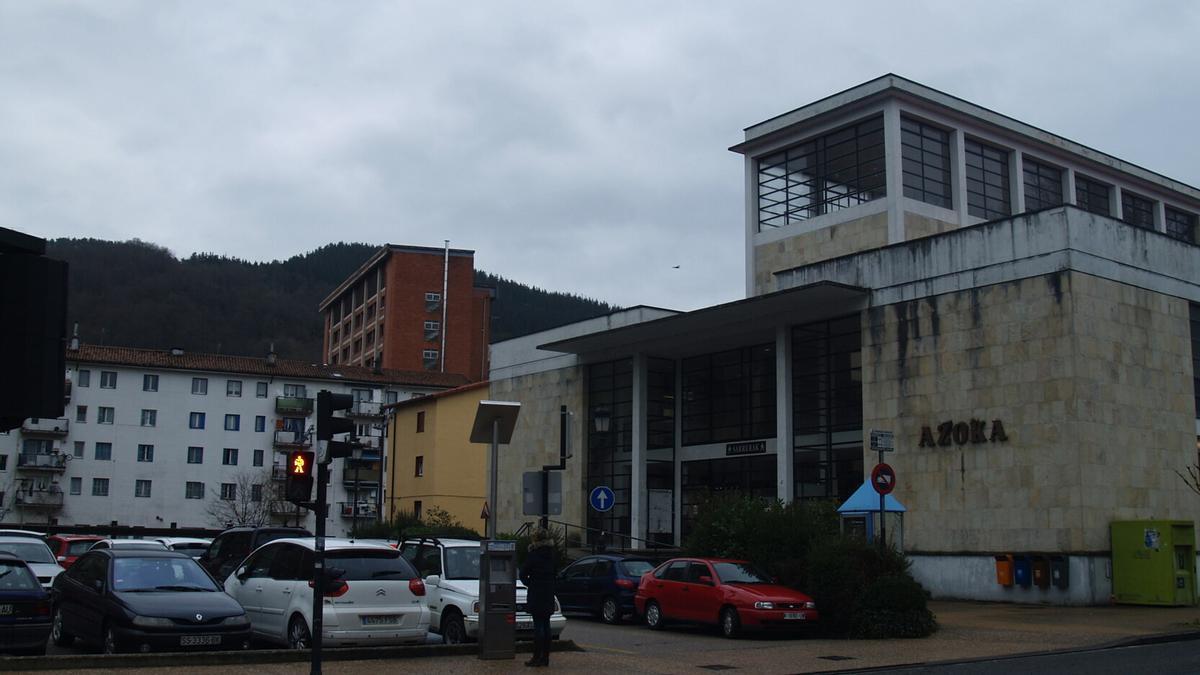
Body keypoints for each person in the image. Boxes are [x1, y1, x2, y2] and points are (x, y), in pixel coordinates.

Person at [519, 527, 556, 668]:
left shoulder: (533, 555)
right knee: (546, 626)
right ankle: (545, 658)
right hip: (548, 593)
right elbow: (555, 573)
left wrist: (530, 583)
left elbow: (523, 573)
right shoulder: (552, 555)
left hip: (536, 593)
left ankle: (536, 657)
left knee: (538, 626)